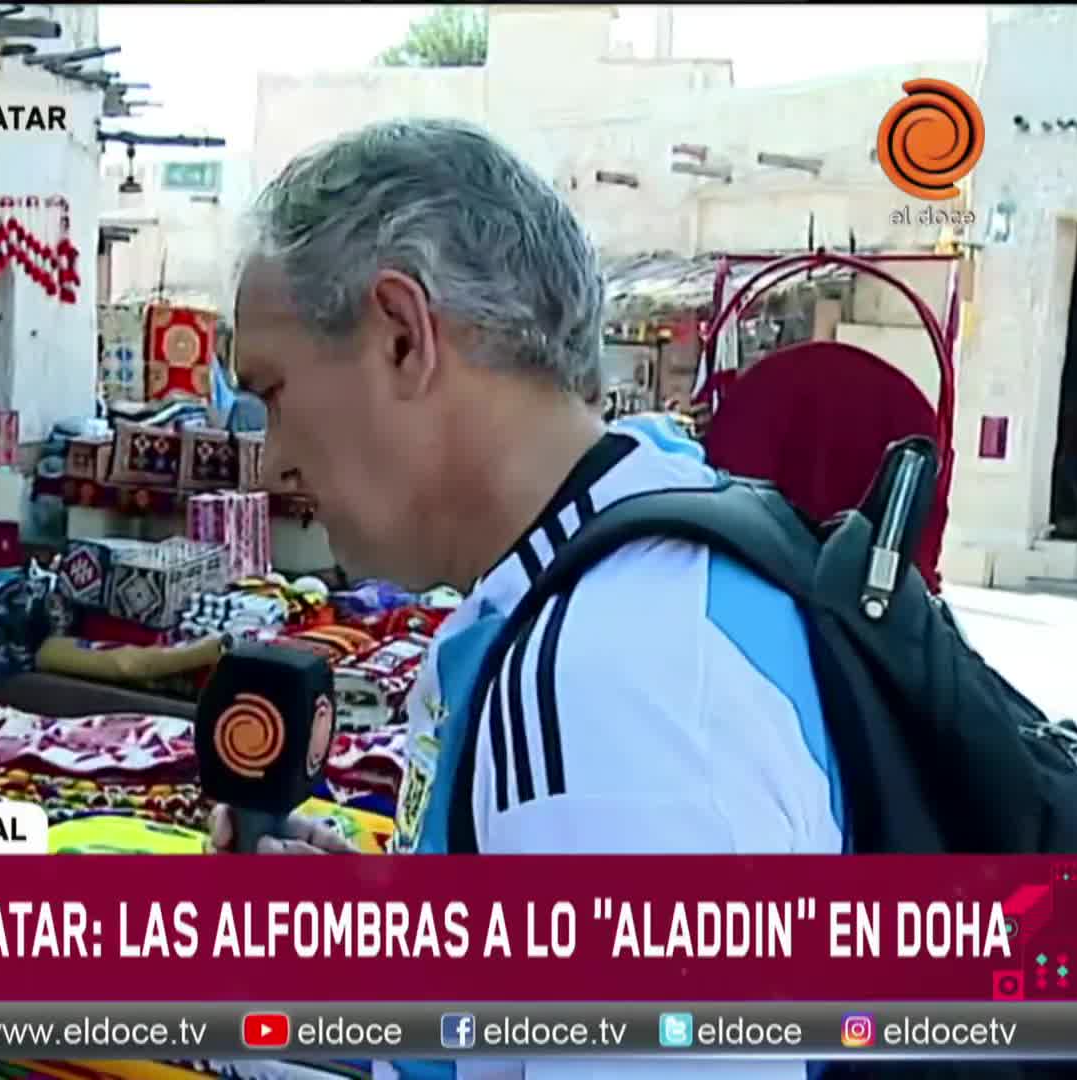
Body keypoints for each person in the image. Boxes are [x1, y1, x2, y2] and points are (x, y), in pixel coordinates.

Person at [213, 118, 833, 1077]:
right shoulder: (631, 546)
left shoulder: (606, 684)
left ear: (401, 336)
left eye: (276, 392)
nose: (277, 455)